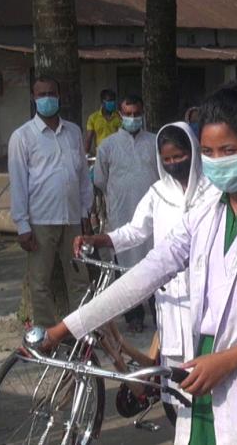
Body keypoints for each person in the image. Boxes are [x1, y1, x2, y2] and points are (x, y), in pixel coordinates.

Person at [41, 80, 237, 444]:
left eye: (229, 150)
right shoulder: (204, 214)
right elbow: (147, 273)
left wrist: (229, 360)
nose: (217, 162)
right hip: (200, 379)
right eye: (208, 151)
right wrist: (65, 329)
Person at [73, 121, 217, 421]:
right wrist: (98, 239)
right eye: (167, 159)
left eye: (179, 156)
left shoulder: (213, 191)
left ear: (192, 152)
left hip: (207, 295)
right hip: (169, 295)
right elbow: (136, 231)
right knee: (174, 371)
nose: (174, 163)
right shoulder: (158, 192)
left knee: (206, 367)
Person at [8, 76, 92, 326]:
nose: (47, 98)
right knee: (40, 282)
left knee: (79, 279)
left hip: (73, 220)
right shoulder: (22, 137)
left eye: (51, 93)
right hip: (40, 222)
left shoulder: (73, 132)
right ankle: (46, 335)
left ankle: (82, 331)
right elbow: (19, 184)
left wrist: (86, 213)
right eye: (41, 94)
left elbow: (83, 177)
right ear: (34, 99)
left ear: (59, 96)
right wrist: (22, 226)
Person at [94, 95, 158, 332]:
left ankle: (158, 311)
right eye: (128, 114)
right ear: (120, 115)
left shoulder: (154, 142)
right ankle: (134, 317)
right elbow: (100, 180)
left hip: (153, 217)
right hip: (122, 215)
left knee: (155, 262)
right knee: (125, 268)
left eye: (136, 114)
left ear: (143, 113)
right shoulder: (107, 146)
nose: (132, 118)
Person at [85, 88, 121, 155]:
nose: (112, 103)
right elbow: (89, 139)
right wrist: (86, 154)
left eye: (113, 100)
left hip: (116, 154)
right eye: (110, 101)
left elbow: (124, 137)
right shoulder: (93, 118)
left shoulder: (119, 117)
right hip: (100, 154)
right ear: (102, 102)